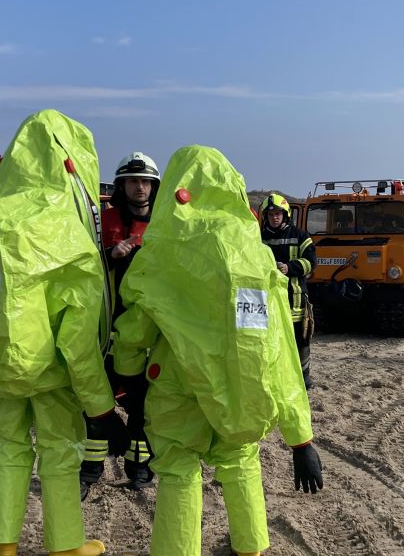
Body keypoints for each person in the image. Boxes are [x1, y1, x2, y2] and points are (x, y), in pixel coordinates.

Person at [112, 145, 323, 556]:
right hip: (245, 386)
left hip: (177, 387)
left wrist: (128, 380)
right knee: (242, 464)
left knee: (177, 474)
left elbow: (134, 331)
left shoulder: (157, 256)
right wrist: (301, 439)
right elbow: (280, 346)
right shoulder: (258, 259)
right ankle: (251, 550)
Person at [0, 109, 127, 556]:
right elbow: (77, 339)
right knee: (61, 455)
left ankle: (1, 547)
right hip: (53, 375)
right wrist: (101, 411)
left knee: (4, 453)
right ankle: (65, 547)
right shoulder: (65, 230)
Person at [79, 151, 160, 493]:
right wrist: (109, 256)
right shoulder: (104, 221)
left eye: (145, 181)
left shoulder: (165, 222)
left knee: (144, 406)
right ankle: (91, 469)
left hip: (149, 332)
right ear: (121, 185)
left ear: (153, 186)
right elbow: (82, 265)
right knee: (95, 400)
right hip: (107, 328)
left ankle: (139, 468)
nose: (139, 187)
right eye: (132, 181)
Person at [259, 193, 317, 388]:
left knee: (300, 340)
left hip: (295, 300)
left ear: (286, 215)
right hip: (268, 301)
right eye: (271, 214)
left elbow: (311, 263)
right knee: (273, 341)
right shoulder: (259, 237)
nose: (275, 217)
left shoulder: (301, 236)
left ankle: (304, 377)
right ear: (265, 216)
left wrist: (289, 268)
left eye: (278, 214)